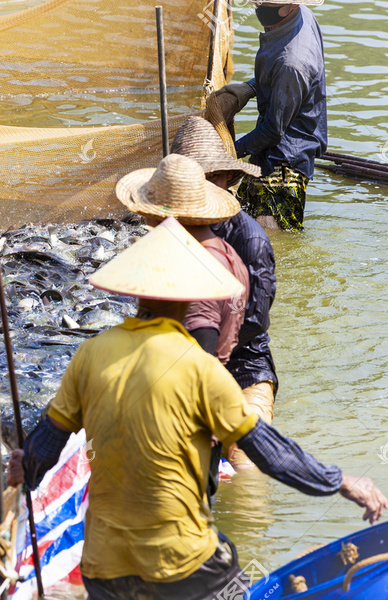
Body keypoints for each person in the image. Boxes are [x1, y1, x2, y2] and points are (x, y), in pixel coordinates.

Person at [6, 214, 387, 599]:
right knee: (234, 587)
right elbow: (270, 452)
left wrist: (26, 468)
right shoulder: (199, 368)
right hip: (182, 564)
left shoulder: (91, 354)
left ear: (138, 291)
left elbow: (43, 447)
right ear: (192, 297)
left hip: (103, 567)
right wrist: (341, 481)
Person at [171, 116, 278, 469]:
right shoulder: (170, 230)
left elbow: (254, 322)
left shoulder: (249, 240)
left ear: (226, 178)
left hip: (243, 366)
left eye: (212, 178)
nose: (206, 187)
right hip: (183, 364)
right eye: (195, 180)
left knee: (248, 467)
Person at [115, 154, 249, 367]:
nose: (144, 219)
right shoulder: (227, 252)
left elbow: (200, 355)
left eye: (146, 212)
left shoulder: (194, 269)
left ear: (160, 217)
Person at [215, 0, 327, 232]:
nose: (259, 7)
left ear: (291, 7)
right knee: (240, 224)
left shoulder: (293, 63)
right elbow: (282, 81)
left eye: (267, 3)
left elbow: (272, 131)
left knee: (270, 239)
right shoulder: (300, 16)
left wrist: (228, 153)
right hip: (269, 151)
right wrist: (251, 87)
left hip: (285, 164)